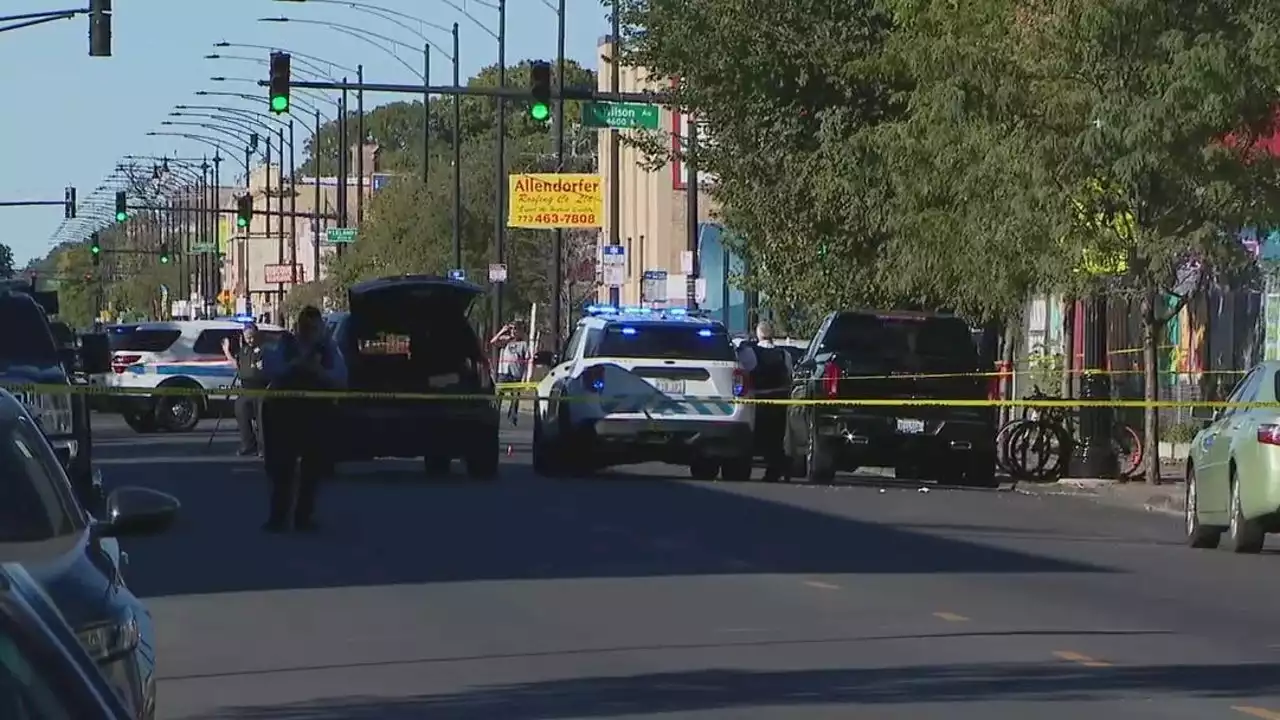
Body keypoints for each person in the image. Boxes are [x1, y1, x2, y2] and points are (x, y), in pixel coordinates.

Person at [259, 306, 347, 533]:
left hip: (315, 416)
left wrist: (318, 370)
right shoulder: (286, 345)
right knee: (281, 470)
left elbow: (341, 378)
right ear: (298, 326)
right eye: (305, 326)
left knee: (312, 471)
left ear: (320, 329)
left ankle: (303, 517)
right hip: (284, 415)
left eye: (314, 327)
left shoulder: (328, 350)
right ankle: (278, 518)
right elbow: (271, 370)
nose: (309, 332)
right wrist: (295, 364)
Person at [737, 321, 794, 482]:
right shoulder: (784, 354)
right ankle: (776, 470)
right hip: (780, 401)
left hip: (759, 400)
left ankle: (751, 469)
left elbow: (741, 369)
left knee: (756, 436)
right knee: (776, 438)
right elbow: (789, 376)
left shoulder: (750, 352)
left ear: (759, 334)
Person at [222, 322, 266, 456]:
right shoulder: (243, 351)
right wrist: (227, 351)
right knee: (241, 412)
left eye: (252, 337)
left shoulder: (262, 350)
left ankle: (263, 448)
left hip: (260, 390)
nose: (250, 340)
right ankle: (248, 444)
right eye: (247, 337)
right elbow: (237, 365)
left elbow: (264, 369)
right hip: (245, 389)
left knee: (262, 420)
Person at [489, 320, 529, 425]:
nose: (513, 331)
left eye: (515, 329)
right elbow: (493, 342)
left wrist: (525, 376)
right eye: (511, 329)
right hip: (504, 372)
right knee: (499, 395)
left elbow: (527, 361)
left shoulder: (523, 344)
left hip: (516, 374)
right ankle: (495, 415)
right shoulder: (505, 341)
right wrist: (502, 331)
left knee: (515, 397)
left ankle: (512, 417)